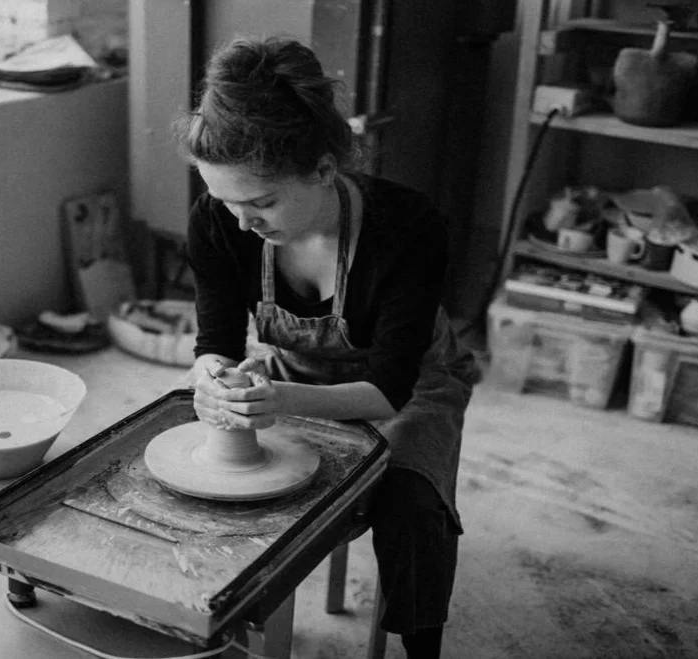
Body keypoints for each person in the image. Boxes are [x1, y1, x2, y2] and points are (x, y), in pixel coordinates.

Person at [175, 36, 480, 659]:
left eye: (261, 202)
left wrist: (278, 400)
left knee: (411, 507)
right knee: (222, 492)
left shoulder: (408, 227)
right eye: (227, 200)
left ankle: (422, 648)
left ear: (322, 169)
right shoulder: (218, 222)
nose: (242, 223)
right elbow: (216, 342)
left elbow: (389, 389)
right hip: (293, 372)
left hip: (409, 383)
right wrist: (211, 376)